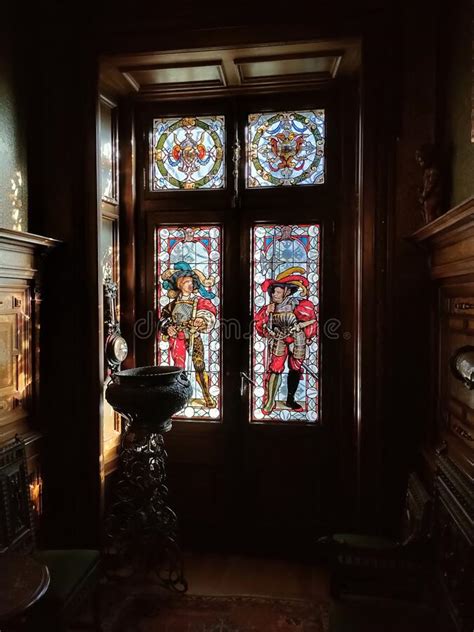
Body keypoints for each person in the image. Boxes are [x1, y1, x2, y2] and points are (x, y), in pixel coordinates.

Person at [254, 267, 317, 415]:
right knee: (275, 367)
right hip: (279, 338)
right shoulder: (270, 308)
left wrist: (306, 335)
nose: (274, 294)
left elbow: (310, 320)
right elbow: (260, 325)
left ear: (287, 292)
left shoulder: (299, 304)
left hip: (297, 339)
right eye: (273, 292)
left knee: (295, 368)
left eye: (277, 292)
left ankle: (290, 399)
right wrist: (267, 318)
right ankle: (269, 401)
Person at [159, 261, 217, 408]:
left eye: (191, 282)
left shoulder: (199, 301)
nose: (190, 285)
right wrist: (167, 328)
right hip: (177, 338)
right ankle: (181, 396)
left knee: (199, 365)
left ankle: (206, 394)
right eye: (186, 282)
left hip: (193, 336)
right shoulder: (171, 305)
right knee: (179, 367)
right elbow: (162, 320)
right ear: (179, 285)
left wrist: (201, 319)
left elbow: (210, 311)